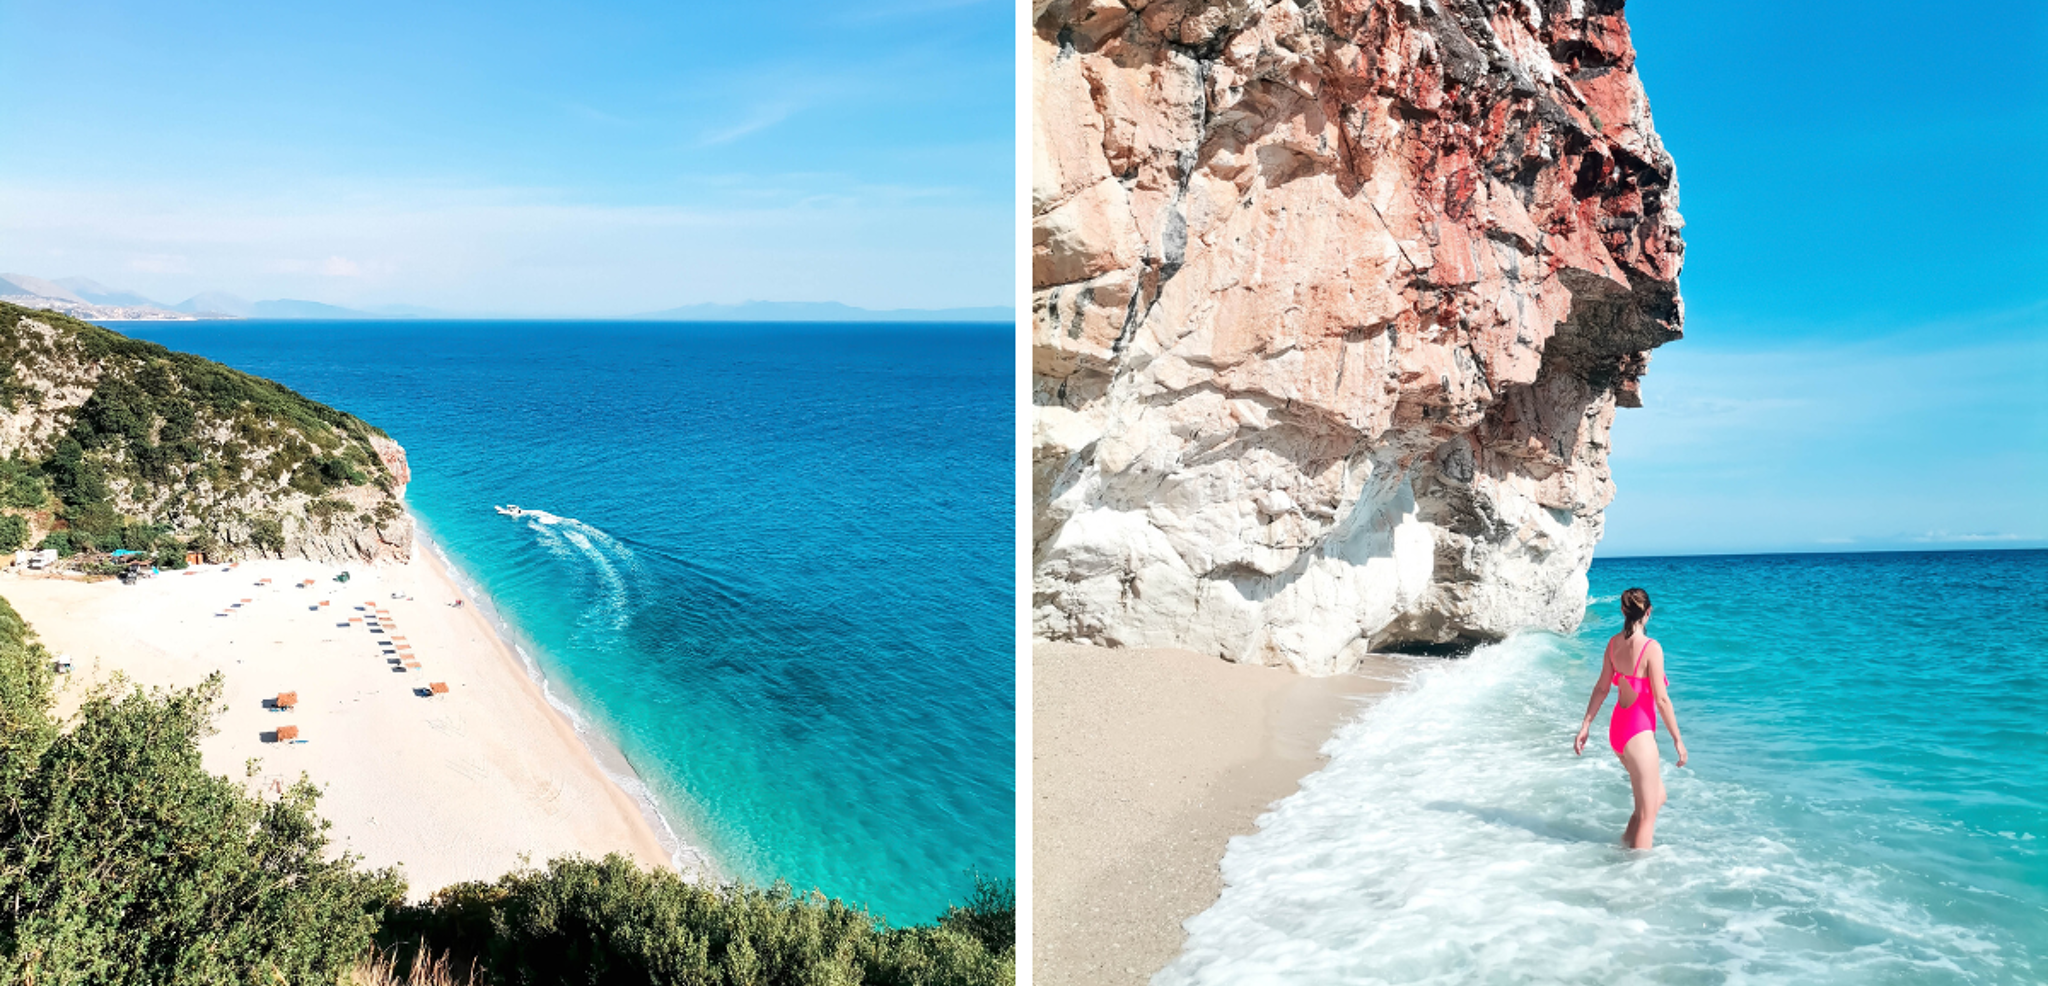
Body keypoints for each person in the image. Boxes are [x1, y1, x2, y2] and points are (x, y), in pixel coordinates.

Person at [1573, 587, 1688, 848]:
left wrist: (1586, 725)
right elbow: (1661, 699)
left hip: (1618, 731)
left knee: (1656, 797)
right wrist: (1677, 740)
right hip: (1639, 734)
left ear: (1623, 611)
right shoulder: (1651, 648)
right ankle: (1638, 878)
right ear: (1648, 612)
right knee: (1648, 815)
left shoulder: (1613, 644)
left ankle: (1623, 847)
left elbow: (1602, 688)